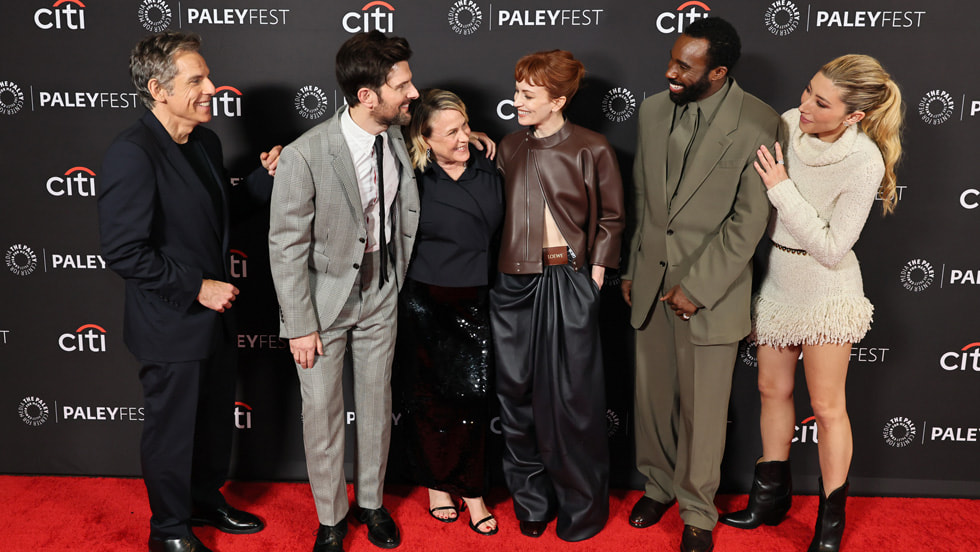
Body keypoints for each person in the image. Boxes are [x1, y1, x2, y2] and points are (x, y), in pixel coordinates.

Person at [268, 32, 493, 552]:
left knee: (375, 405)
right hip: (322, 303)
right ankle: (331, 519)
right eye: (403, 85)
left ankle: (371, 503)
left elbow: (436, 135)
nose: (413, 92)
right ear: (368, 95)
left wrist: (469, 137)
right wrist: (298, 325)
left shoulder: (394, 134)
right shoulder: (305, 155)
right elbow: (285, 247)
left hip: (381, 290)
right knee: (322, 415)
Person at [98, 31, 281, 552]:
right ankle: (169, 531)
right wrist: (197, 287)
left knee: (212, 422)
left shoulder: (205, 142)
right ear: (159, 89)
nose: (211, 88)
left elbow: (219, 217)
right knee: (173, 431)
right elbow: (124, 251)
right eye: (196, 80)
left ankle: (203, 499)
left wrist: (265, 179)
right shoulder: (132, 153)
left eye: (208, 76)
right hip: (170, 320)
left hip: (214, 318)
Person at [719, 54, 903, 552]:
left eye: (821, 103)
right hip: (779, 280)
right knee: (771, 390)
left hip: (828, 291)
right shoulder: (786, 124)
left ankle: (829, 524)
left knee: (826, 405)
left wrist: (781, 189)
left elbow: (831, 248)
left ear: (854, 115)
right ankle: (769, 500)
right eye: (807, 91)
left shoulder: (864, 160)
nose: (805, 105)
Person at [620, 17, 780, 552]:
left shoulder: (758, 122)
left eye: (685, 67)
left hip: (711, 294)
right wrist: (632, 267)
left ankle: (697, 511)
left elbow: (749, 220)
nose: (670, 71)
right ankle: (657, 486)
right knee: (651, 402)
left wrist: (699, 286)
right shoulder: (651, 111)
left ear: (718, 72)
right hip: (650, 283)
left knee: (703, 413)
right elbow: (642, 197)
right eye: (672, 59)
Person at [491, 49, 624, 542]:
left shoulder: (592, 147)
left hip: (568, 280)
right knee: (516, 396)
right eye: (517, 90)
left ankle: (582, 507)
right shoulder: (508, 147)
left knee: (574, 401)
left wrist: (595, 275)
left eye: (528, 94)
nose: (517, 100)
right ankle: (531, 502)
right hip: (513, 285)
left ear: (558, 100)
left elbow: (611, 217)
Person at [395, 88, 503, 536]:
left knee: (474, 399)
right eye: (452, 131)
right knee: (429, 399)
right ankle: (437, 485)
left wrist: (470, 137)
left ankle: (472, 490)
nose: (463, 137)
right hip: (426, 300)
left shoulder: (489, 164)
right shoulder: (411, 175)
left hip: (478, 298)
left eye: (466, 126)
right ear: (425, 138)